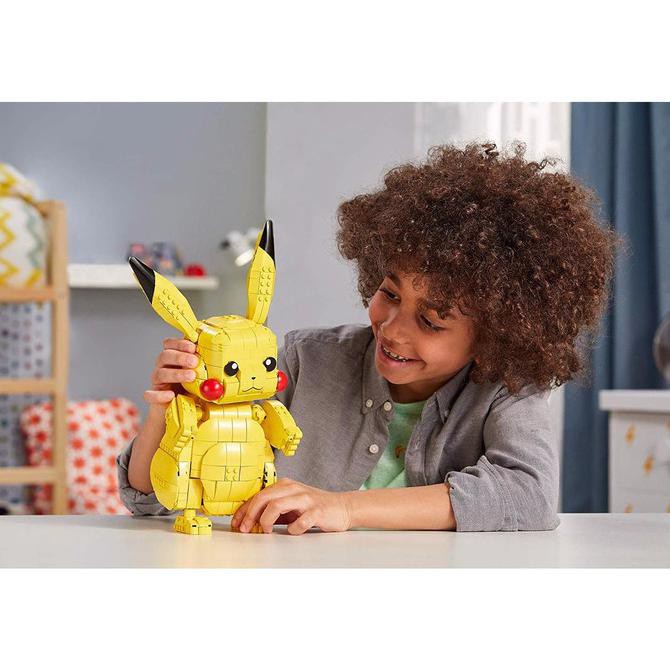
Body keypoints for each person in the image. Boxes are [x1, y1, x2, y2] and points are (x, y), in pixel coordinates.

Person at [117, 142, 619, 534]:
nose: (393, 328)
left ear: (496, 332)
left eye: (432, 321)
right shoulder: (303, 361)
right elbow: (148, 499)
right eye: (389, 294)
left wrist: (345, 508)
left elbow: (529, 496)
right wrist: (167, 410)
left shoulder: (505, 391)